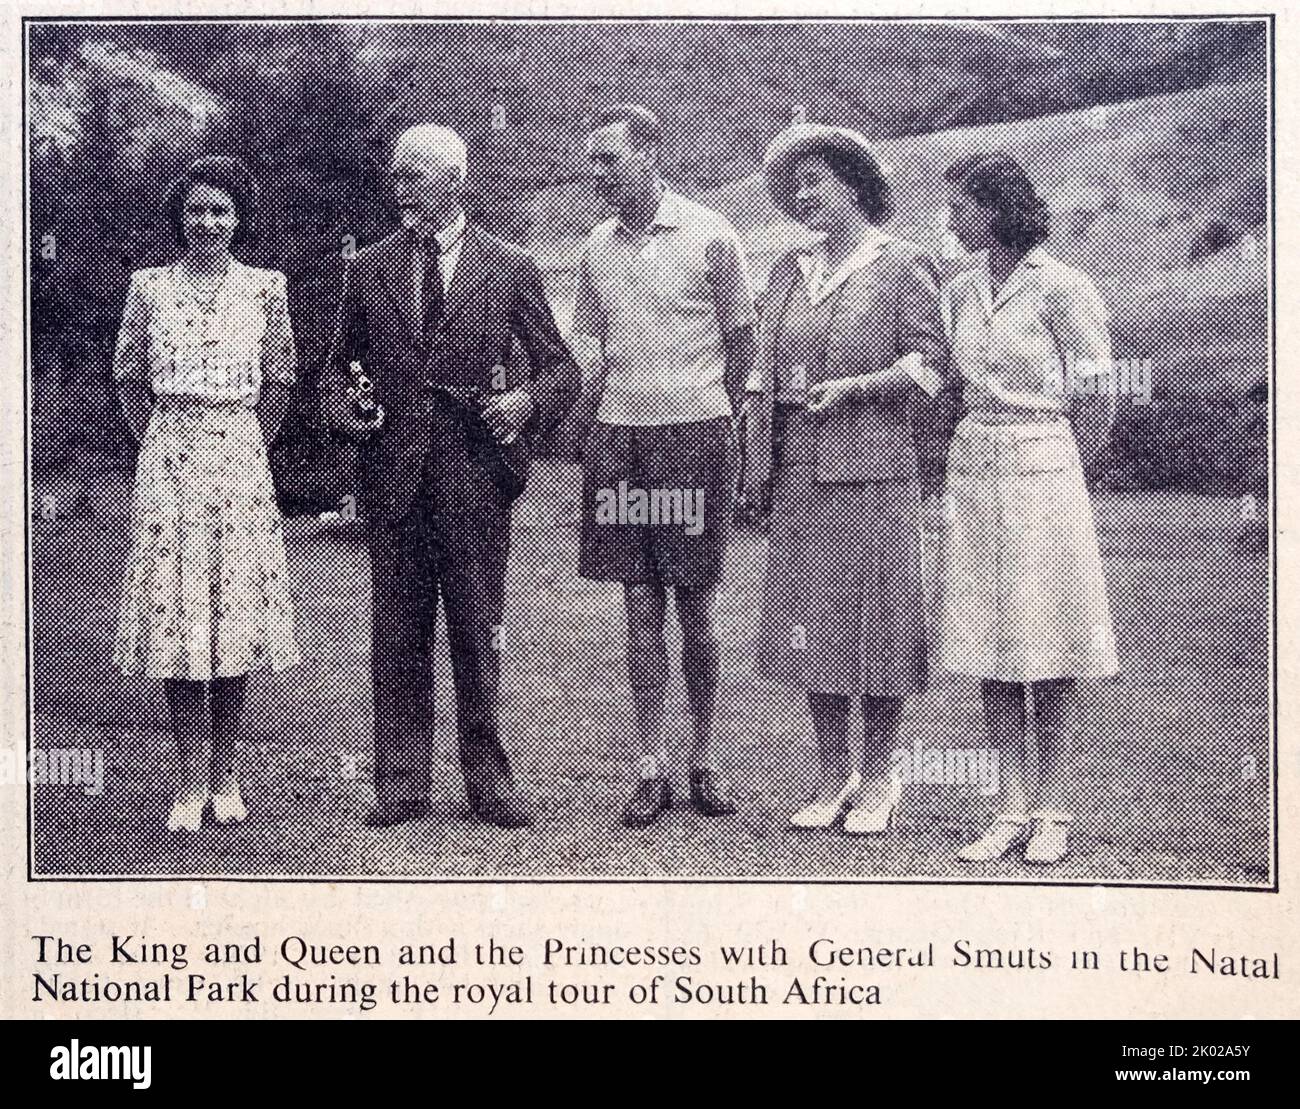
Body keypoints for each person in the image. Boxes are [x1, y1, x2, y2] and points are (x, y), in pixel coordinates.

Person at [322, 125, 581, 829]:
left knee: (477, 630)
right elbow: (334, 375)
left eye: (413, 177)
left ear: (455, 181)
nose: (399, 190)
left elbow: (561, 368)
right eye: (397, 177)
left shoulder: (512, 266)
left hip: (476, 479)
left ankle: (488, 783)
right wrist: (353, 411)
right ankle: (401, 785)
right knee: (397, 634)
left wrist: (525, 402)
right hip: (394, 478)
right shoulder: (368, 267)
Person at [743, 124, 952, 836]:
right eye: (795, 187)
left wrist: (858, 386)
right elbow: (762, 373)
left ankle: (883, 776)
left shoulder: (903, 265)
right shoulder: (786, 272)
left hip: (876, 473)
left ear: (857, 188)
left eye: (817, 184)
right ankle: (835, 775)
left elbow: (931, 367)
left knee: (880, 629)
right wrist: (755, 458)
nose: (803, 197)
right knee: (814, 629)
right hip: (801, 473)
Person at [572, 104, 758, 828]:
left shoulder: (713, 234)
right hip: (621, 440)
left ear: (649, 155)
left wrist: (713, 407)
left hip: (693, 437)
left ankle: (702, 760)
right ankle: (650, 766)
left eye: (608, 159)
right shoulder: (593, 247)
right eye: (592, 161)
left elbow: (742, 342)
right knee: (639, 603)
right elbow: (591, 349)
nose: (597, 174)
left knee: (696, 605)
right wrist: (586, 427)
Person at [937, 151, 1119, 865]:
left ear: (995, 207)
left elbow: (1097, 393)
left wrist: (1070, 463)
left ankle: (1053, 810)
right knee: (992, 640)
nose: (950, 221)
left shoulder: (1063, 287)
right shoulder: (960, 290)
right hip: (976, 467)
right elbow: (955, 382)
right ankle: (1009, 808)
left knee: (1049, 641)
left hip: (1045, 469)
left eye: (960, 208)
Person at [113, 155, 300, 832]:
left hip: (239, 463)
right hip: (169, 465)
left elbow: (280, 377)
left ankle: (226, 774)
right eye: (196, 209)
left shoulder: (265, 288)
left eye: (221, 210)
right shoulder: (150, 288)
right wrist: (157, 442)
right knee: (177, 620)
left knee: (229, 621)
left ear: (239, 218)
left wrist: (251, 442)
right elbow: (130, 374)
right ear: (180, 216)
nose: (208, 222)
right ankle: (189, 780)